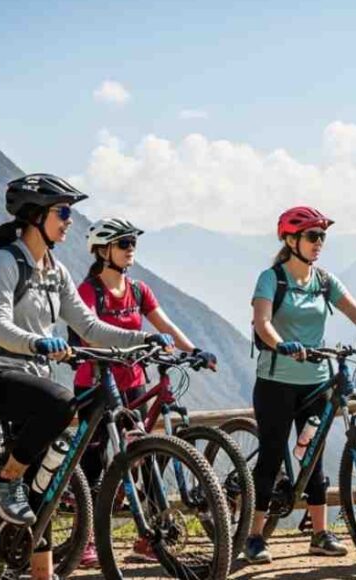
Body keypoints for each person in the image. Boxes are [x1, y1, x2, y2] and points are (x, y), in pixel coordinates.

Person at [0, 173, 173, 580]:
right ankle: (4, 480)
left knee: (45, 487)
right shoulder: (5, 262)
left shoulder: (54, 269)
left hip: (33, 378)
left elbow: (90, 325)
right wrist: (38, 343)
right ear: (35, 216)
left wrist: (143, 338)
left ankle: (42, 572)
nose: (70, 221)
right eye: (63, 212)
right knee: (61, 403)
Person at [243, 206, 356, 565]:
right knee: (271, 457)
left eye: (322, 237)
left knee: (314, 457)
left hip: (316, 382)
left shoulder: (323, 280)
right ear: (291, 240)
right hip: (277, 381)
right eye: (312, 236)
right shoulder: (272, 278)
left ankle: (319, 534)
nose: (319, 243)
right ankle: (254, 535)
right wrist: (280, 344)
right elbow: (262, 321)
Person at [73, 217, 216, 567]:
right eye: (124, 244)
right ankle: (86, 539)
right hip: (94, 383)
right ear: (103, 250)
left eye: (132, 243)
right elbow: (88, 333)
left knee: (146, 455)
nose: (130, 249)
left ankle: (147, 538)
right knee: (93, 463)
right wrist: (130, 343)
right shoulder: (89, 290)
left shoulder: (138, 290)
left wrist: (194, 349)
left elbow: (165, 325)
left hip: (133, 382)